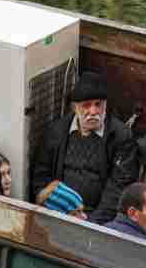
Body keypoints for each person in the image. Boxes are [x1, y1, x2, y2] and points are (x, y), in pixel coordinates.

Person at [31, 72, 138, 225]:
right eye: (86, 105)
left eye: (98, 104)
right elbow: (40, 177)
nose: (93, 111)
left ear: (105, 105)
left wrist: (92, 224)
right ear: (75, 108)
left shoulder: (121, 137)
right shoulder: (56, 131)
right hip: (59, 214)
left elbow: (119, 186)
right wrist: (55, 212)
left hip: (100, 219)